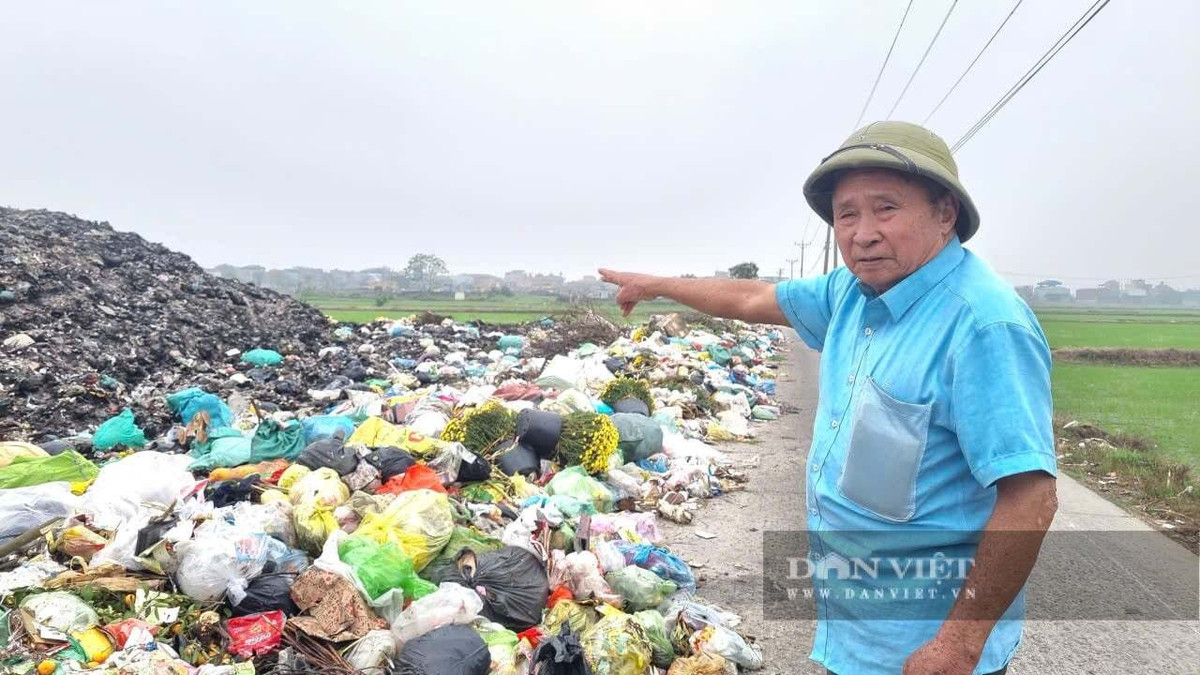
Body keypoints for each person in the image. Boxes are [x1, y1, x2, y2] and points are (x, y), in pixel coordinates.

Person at [599, 121, 1057, 675]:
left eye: (886, 208)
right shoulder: (853, 291)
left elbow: (1030, 498)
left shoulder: (983, 326)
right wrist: (659, 284)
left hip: (926, 645)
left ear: (944, 213)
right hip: (857, 628)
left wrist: (958, 646)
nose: (862, 233)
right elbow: (753, 297)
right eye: (847, 214)